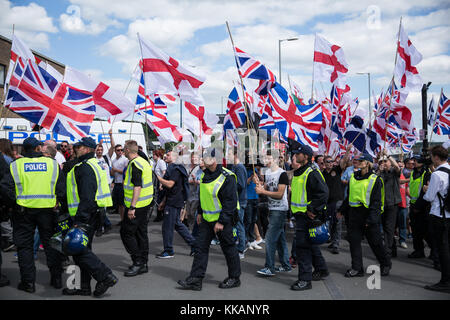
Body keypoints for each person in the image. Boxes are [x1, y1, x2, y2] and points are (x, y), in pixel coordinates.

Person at [7, 137, 66, 293]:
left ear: (24, 150)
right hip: (47, 211)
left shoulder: (16, 165)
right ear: (39, 149)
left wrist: (13, 203)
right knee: (51, 245)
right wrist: (58, 200)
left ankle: (28, 283)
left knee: (25, 247)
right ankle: (57, 279)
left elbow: (6, 188)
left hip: (23, 211)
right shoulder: (52, 164)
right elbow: (61, 187)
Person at [177, 148, 241, 291]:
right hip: (206, 219)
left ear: (215, 160)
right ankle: (196, 279)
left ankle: (234, 278)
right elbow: (203, 195)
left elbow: (230, 203)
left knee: (229, 249)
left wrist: (221, 222)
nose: (203, 159)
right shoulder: (205, 175)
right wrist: (200, 212)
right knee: (200, 248)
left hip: (223, 221)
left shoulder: (227, 177)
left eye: (206, 157)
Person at [63, 137, 118, 297]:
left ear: (87, 149)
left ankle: (105, 276)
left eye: (78, 146)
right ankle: (83, 287)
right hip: (93, 213)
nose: (75, 148)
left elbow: (87, 196)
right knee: (82, 249)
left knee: (78, 249)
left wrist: (79, 220)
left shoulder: (85, 167)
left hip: (86, 215)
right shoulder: (92, 164)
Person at [338, 153, 391, 278]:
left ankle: (386, 263)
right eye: (357, 160)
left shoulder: (375, 179)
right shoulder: (353, 177)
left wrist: (371, 219)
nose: (357, 162)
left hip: (368, 215)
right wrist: (341, 210)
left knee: (375, 243)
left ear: (367, 163)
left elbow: (377, 202)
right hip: (354, 214)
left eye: (360, 160)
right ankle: (357, 268)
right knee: (354, 242)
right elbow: (349, 197)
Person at [290, 145, 329, 291]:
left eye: (298, 154)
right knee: (311, 245)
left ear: (305, 157)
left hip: (307, 216)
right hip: (301, 216)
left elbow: (324, 193)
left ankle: (305, 280)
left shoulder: (311, 172)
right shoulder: (300, 171)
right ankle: (321, 269)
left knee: (303, 248)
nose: (295, 156)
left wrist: (312, 209)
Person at [120, 140, 154, 277]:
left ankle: (138, 262)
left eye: (123, 149)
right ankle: (143, 263)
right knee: (141, 233)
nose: (122, 151)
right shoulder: (143, 161)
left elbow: (137, 186)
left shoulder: (135, 164)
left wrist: (132, 207)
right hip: (144, 204)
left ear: (128, 150)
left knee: (126, 233)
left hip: (137, 206)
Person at [255, 152, 291, 276]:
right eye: (265, 157)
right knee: (280, 238)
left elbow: (280, 194)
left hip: (280, 210)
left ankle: (269, 267)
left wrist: (263, 191)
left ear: (275, 159)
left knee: (269, 239)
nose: (266, 160)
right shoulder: (268, 172)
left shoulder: (282, 174)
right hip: (272, 209)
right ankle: (286, 265)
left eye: (268, 158)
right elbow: (265, 188)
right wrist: (259, 185)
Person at [156, 150, 195, 258]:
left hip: (174, 201)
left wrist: (159, 178)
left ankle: (168, 251)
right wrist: (163, 202)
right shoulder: (172, 167)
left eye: (168, 155)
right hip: (172, 200)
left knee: (167, 227)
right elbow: (170, 189)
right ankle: (195, 245)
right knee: (177, 224)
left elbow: (170, 184)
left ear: (174, 157)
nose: (165, 156)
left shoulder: (176, 168)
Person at [423, 145, 450, 293]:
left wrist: (426, 190)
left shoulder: (437, 175)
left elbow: (429, 197)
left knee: (443, 249)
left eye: (432, 156)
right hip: (449, 214)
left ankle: (445, 281)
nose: (431, 159)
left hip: (439, 215)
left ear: (437, 158)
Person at [408, 155, 438, 264]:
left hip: (423, 207)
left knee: (427, 232)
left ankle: (434, 252)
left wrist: (418, 206)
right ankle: (418, 250)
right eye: (413, 160)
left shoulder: (427, 174)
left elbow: (425, 192)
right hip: (413, 205)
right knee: (416, 231)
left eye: (416, 160)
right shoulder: (413, 173)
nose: (413, 162)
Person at [377, 149, 402, 260]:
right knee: (386, 229)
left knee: (389, 228)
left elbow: (397, 167)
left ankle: (386, 252)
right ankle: (393, 249)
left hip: (392, 204)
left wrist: (388, 155)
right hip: (382, 204)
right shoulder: (379, 173)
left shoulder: (393, 171)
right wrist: (379, 171)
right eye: (381, 162)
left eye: (385, 161)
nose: (384, 164)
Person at [322, 151, 348, 255]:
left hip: (338, 201)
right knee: (330, 222)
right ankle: (332, 241)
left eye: (332, 161)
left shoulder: (336, 170)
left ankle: (336, 244)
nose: (330, 163)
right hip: (327, 202)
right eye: (328, 162)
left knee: (337, 223)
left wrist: (347, 151)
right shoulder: (322, 173)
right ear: (324, 163)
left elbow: (344, 162)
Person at [227, 149, 247, 258]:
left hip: (240, 201)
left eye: (229, 153)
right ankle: (240, 243)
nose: (227, 155)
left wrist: (229, 187)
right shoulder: (233, 166)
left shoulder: (239, 167)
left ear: (235, 155)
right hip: (234, 201)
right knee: (235, 224)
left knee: (239, 224)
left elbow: (241, 184)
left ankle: (241, 249)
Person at [109, 129, 129, 223]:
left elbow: (126, 172)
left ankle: (125, 220)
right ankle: (122, 219)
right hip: (116, 183)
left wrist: (116, 170)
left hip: (122, 184)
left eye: (121, 150)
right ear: (115, 151)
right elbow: (112, 174)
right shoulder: (113, 161)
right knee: (119, 204)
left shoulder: (125, 160)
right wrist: (112, 172)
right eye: (118, 150)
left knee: (124, 204)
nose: (120, 151)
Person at [94, 143, 112, 236]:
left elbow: (112, 148)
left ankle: (103, 227)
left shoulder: (106, 158)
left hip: (107, 186)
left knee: (103, 208)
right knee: (99, 208)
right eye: (98, 150)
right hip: (98, 186)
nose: (99, 151)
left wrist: (110, 135)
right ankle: (103, 226)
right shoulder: (93, 160)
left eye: (101, 150)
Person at [397, 160, 410, 249]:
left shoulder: (404, 175)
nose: (400, 168)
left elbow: (407, 190)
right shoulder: (393, 175)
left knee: (403, 224)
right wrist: (410, 179)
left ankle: (402, 240)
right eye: (398, 166)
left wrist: (413, 198)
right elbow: (399, 181)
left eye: (401, 166)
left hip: (403, 204)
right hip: (394, 204)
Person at [153, 149, 167, 222]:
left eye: (154, 155)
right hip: (156, 182)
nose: (153, 156)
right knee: (158, 198)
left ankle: (160, 215)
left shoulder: (161, 162)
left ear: (158, 155)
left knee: (160, 198)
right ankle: (159, 214)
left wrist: (162, 184)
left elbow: (164, 173)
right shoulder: (155, 163)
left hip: (161, 182)